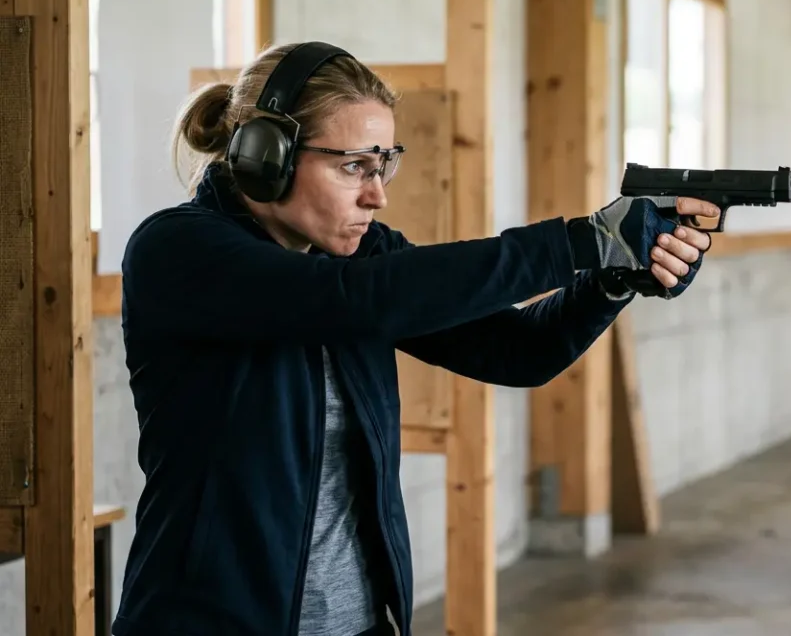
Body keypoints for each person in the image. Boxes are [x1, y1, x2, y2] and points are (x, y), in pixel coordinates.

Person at [111, 41, 715, 636]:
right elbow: (353, 300)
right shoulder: (176, 250)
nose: (377, 194)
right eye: (353, 166)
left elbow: (520, 350)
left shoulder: (362, 256)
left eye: (383, 164)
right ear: (266, 155)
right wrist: (579, 241)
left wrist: (612, 279)